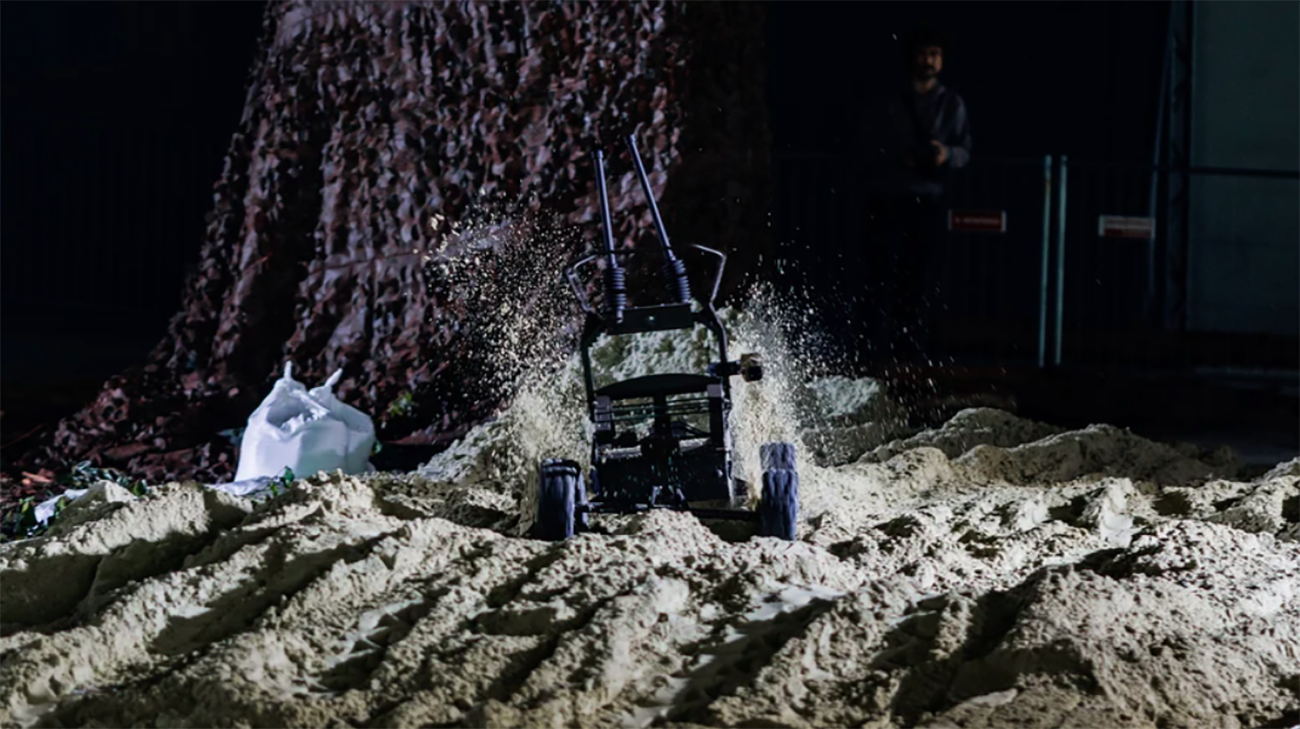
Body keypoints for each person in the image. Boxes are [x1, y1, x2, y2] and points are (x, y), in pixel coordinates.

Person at [854, 27, 972, 366]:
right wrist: (897, 156)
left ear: (942, 60)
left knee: (916, 279)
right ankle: (868, 349)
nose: (928, 60)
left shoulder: (951, 103)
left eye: (934, 54)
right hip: (886, 196)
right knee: (877, 275)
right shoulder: (890, 101)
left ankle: (904, 351)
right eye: (923, 53)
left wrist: (944, 154)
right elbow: (868, 143)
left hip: (925, 200)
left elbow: (965, 150)